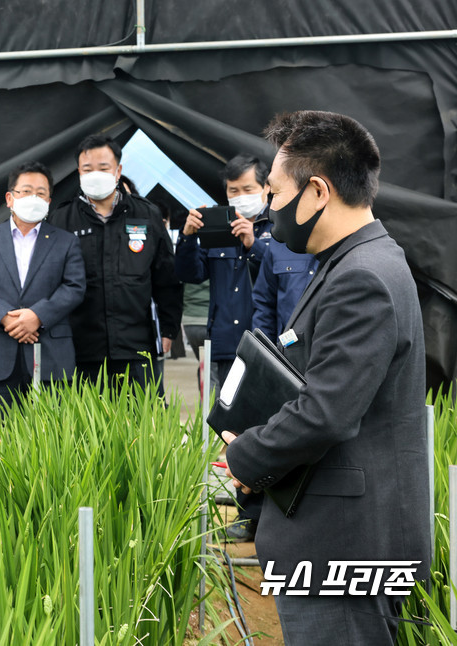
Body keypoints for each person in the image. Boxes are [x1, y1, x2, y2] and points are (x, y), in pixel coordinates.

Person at [223, 110, 430, 645]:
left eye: (273, 193)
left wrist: (245, 456)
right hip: (341, 540)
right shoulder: (355, 262)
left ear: (317, 191)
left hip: (342, 549)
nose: (269, 209)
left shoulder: (361, 276)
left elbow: (326, 413)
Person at [174, 154, 272, 542]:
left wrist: (253, 245)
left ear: (266, 188)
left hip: (263, 349)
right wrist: (187, 235)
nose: (241, 197)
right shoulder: (217, 226)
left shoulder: (280, 227)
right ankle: (246, 516)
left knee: (268, 429)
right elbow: (189, 273)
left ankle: (271, 515)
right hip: (223, 346)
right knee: (233, 435)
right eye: (234, 191)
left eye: (248, 189)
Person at [48, 134, 182, 393]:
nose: (95, 174)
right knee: (84, 429)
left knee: (142, 426)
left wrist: (168, 328)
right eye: (88, 169)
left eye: (104, 168)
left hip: (136, 347)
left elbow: (167, 277)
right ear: (79, 172)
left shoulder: (146, 214)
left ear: (118, 170)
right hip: (80, 349)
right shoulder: (62, 219)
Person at [0, 161, 85, 417]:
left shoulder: (66, 242)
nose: (34, 197)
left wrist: (37, 317)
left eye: (41, 193)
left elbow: (75, 287)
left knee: (50, 439)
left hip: (50, 355)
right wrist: (5, 318)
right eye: (26, 191)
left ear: (49, 200)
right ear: (10, 198)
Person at [251, 238, 318, 340]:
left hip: (329, 346)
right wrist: (262, 350)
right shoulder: (279, 243)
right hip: (288, 348)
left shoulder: (343, 238)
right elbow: (264, 305)